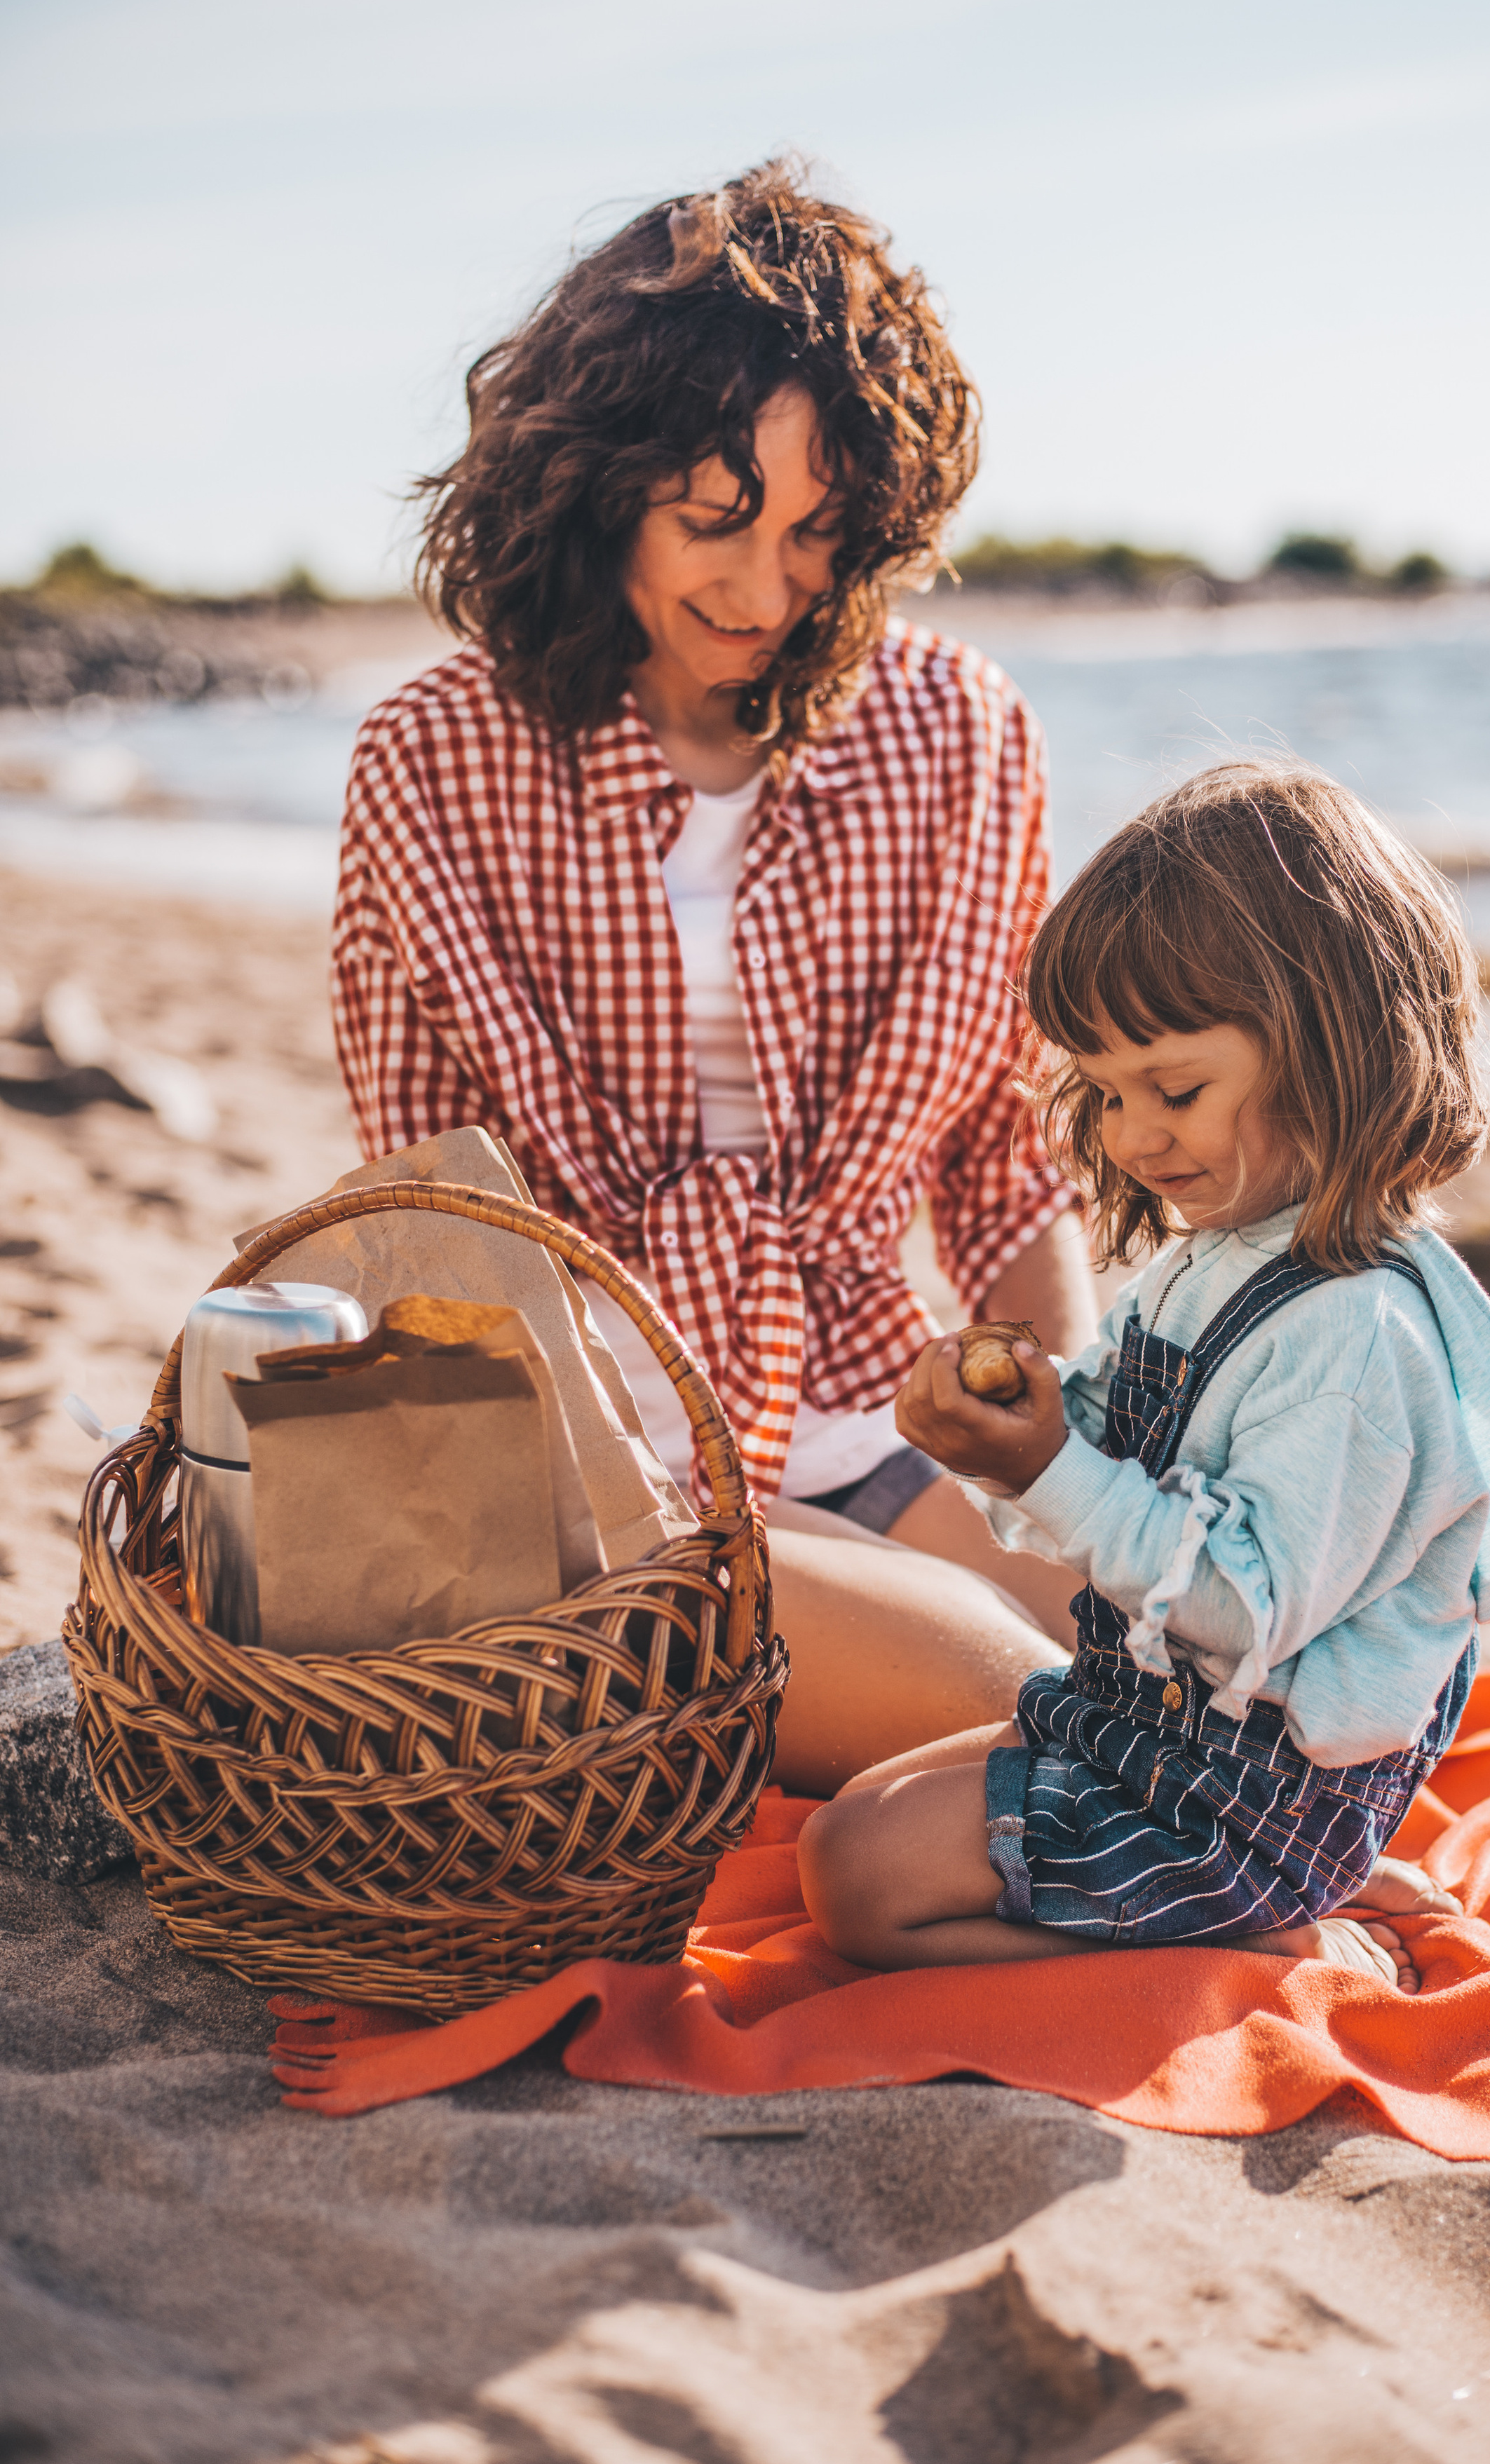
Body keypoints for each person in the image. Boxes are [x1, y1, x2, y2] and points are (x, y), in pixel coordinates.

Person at [330, 158, 1097, 1783]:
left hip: (870, 1416)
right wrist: (599, 1503)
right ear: (596, 484)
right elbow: (420, 1211)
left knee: (1173, 1654)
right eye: (713, 520)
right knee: (1043, 1720)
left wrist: (1063, 1452)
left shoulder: (957, 735)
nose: (765, 592)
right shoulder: (431, 760)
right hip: (579, 1466)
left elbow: (1005, 1163)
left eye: (819, 532)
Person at [797, 761, 1490, 1988]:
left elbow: (1242, 1610)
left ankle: (1267, 1932)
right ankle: (1253, 1907)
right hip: (1147, 1717)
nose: (1135, 1137)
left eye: (1175, 1090)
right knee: (860, 1809)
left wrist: (1052, 1470)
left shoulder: (1359, 1341)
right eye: (1106, 1091)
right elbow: (1122, 1449)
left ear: (1327, 1043)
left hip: (1246, 1789)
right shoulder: (1226, 1256)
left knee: (862, 1890)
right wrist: (1012, 1435)